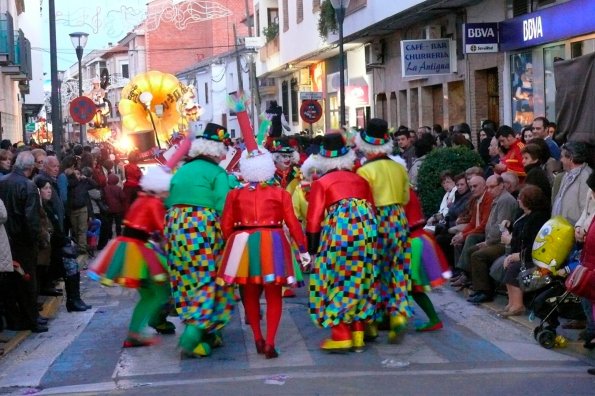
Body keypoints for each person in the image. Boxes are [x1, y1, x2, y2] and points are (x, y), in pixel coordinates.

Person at [217, 130, 310, 359]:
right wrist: (303, 249)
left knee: (248, 292)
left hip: (242, 242)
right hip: (274, 241)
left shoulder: (235, 194)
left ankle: (258, 338)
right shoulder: (280, 193)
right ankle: (270, 342)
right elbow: (294, 224)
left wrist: (232, 245)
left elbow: (225, 225)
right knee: (274, 294)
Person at [165, 122, 237, 358]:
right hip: (202, 227)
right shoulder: (217, 173)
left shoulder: (182, 170)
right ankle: (193, 335)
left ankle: (207, 333)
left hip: (175, 226)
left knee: (185, 279)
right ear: (216, 150)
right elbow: (224, 209)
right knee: (209, 280)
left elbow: (168, 199)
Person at [306, 133, 378, 352]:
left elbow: (313, 219)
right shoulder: (361, 180)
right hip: (366, 235)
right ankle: (358, 332)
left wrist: (312, 250)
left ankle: (341, 334)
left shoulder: (322, 182)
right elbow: (372, 209)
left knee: (336, 280)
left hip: (339, 236)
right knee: (359, 279)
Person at [90, 166, 173, 347]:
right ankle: (136, 332)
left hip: (126, 247)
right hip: (138, 250)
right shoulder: (154, 203)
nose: (168, 193)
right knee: (156, 294)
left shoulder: (142, 199)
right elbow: (162, 230)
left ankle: (136, 331)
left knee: (150, 293)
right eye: (167, 189)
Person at [354, 118, 412, 344]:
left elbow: (361, 202)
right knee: (397, 268)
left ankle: (371, 321)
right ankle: (397, 314)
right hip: (398, 218)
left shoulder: (363, 171)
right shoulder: (399, 167)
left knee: (371, 271)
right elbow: (406, 198)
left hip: (374, 220)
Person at [0, 151, 46, 332]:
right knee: (27, 281)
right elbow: (31, 219)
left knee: (10, 282)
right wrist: (37, 240)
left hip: (6, 239)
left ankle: (15, 319)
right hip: (23, 241)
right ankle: (31, 318)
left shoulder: (3, 182)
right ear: (31, 166)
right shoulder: (28, 186)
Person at [499, 185, 550, 317]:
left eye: (521, 198)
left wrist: (517, 254)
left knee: (513, 268)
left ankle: (518, 305)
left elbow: (533, 244)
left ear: (529, 201)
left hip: (536, 259)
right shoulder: (523, 215)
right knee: (509, 265)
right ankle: (512, 302)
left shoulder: (538, 218)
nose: (518, 200)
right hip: (521, 253)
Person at [405, 189, 450, 331]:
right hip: (417, 238)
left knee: (412, 285)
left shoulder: (398, 190)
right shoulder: (405, 188)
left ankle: (433, 319)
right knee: (412, 286)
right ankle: (433, 319)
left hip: (412, 241)